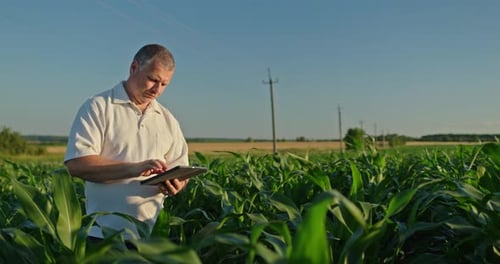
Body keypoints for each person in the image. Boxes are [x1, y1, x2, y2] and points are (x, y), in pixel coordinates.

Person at [64, 44, 189, 240]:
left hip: (150, 238)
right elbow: (77, 164)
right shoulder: (98, 107)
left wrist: (176, 184)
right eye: (153, 80)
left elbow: (181, 170)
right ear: (133, 68)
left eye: (164, 84)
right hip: (101, 236)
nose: (157, 90)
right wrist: (134, 169)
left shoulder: (168, 120)